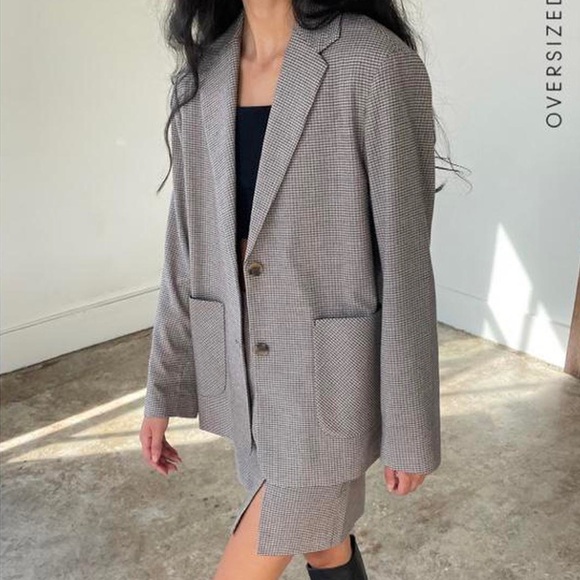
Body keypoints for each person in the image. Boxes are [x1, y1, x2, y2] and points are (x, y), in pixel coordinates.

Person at [140, 1, 447, 578]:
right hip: (244, 376)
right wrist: (163, 390)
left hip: (326, 381)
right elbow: (185, 250)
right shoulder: (200, 79)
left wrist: (410, 428)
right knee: (322, 543)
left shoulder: (371, 61)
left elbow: (405, 260)